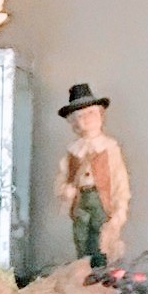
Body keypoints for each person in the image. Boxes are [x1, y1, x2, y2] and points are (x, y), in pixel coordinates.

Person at [55, 83, 130, 266]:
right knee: (81, 235)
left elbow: (120, 180)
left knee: (101, 235)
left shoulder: (109, 148)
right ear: (73, 122)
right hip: (80, 200)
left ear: (100, 116)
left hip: (100, 199)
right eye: (79, 116)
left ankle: (100, 270)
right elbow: (62, 177)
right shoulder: (73, 151)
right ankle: (83, 267)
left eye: (90, 114)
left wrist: (120, 208)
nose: (86, 120)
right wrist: (65, 191)